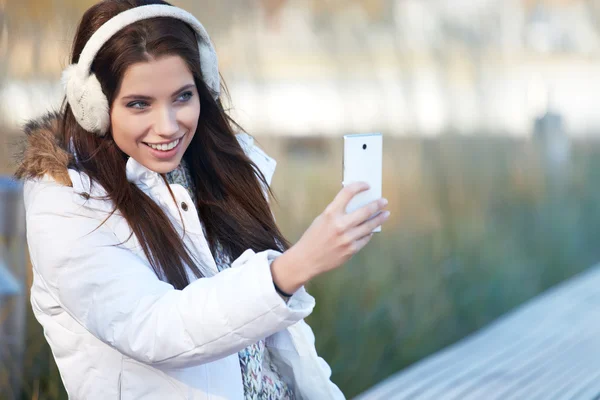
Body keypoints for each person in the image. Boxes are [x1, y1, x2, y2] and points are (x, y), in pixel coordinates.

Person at [14, 0, 390, 399]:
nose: (168, 126)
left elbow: (278, 347)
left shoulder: (216, 168)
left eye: (182, 97)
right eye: (139, 104)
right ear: (94, 106)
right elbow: (156, 329)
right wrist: (289, 270)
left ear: (204, 87)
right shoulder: (66, 201)